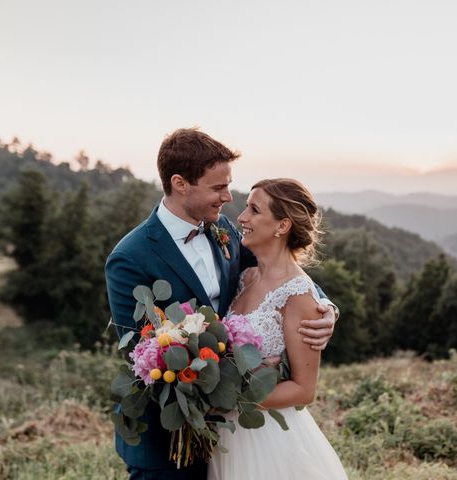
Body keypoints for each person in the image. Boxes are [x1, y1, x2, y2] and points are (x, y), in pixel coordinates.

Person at [105, 128, 337, 480]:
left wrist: (325, 306)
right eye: (217, 188)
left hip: (232, 435)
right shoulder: (130, 258)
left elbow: (281, 277)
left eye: (228, 186)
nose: (227, 198)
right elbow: (142, 353)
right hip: (167, 438)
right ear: (180, 183)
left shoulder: (223, 230)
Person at [208, 178, 347, 479]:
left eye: (254, 210)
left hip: (269, 439)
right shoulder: (245, 277)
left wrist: (229, 400)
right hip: (227, 438)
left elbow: (304, 389)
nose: (242, 218)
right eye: (246, 208)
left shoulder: (298, 294)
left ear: (282, 226)